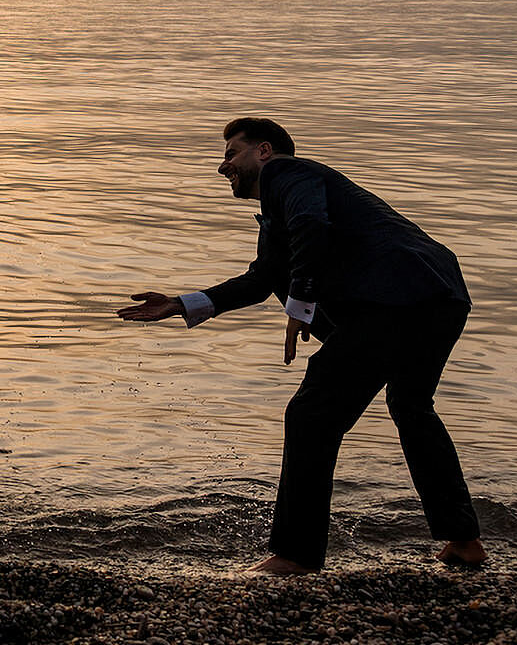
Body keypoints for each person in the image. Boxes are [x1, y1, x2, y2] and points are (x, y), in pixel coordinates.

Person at [118, 117, 485, 574]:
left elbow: (311, 225)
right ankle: (463, 541)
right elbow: (261, 279)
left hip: (396, 299)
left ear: (265, 151)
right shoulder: (280, 212)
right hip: (438, 295)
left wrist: (301, 302)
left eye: (232, 153)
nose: (223, 166)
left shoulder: (289, 175)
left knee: (312, 414)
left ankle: (295, 555)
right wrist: (180, 303)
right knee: (411, 408)